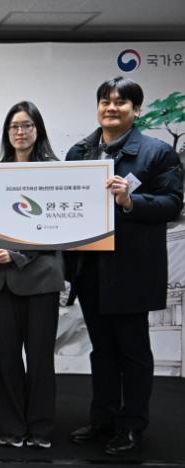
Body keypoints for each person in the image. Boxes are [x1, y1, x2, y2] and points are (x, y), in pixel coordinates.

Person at [65, 77, 183, 455]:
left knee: (132, 351)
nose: (111, 108)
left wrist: (131, 201)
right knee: (101, 350)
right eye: (105, 101)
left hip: (132, 269)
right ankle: (102, 418)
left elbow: (172, 204)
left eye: (121, 102)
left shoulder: (156, 153)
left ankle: (131, 425)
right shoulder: (79, 152)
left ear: (137, 110)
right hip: (90, 267)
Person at [0, 101, 64, 449]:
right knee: (8, 357)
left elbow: (57, 227)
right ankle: (12, 426)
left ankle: (40, 427)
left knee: (39, 358)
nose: (20, 132)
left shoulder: (55, 171)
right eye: (14, 127)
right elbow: (0, 227)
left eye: (27, 125)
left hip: (40, 278)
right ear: (6, 133)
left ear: (38, 130)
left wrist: (17, 255)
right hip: (2, 280)